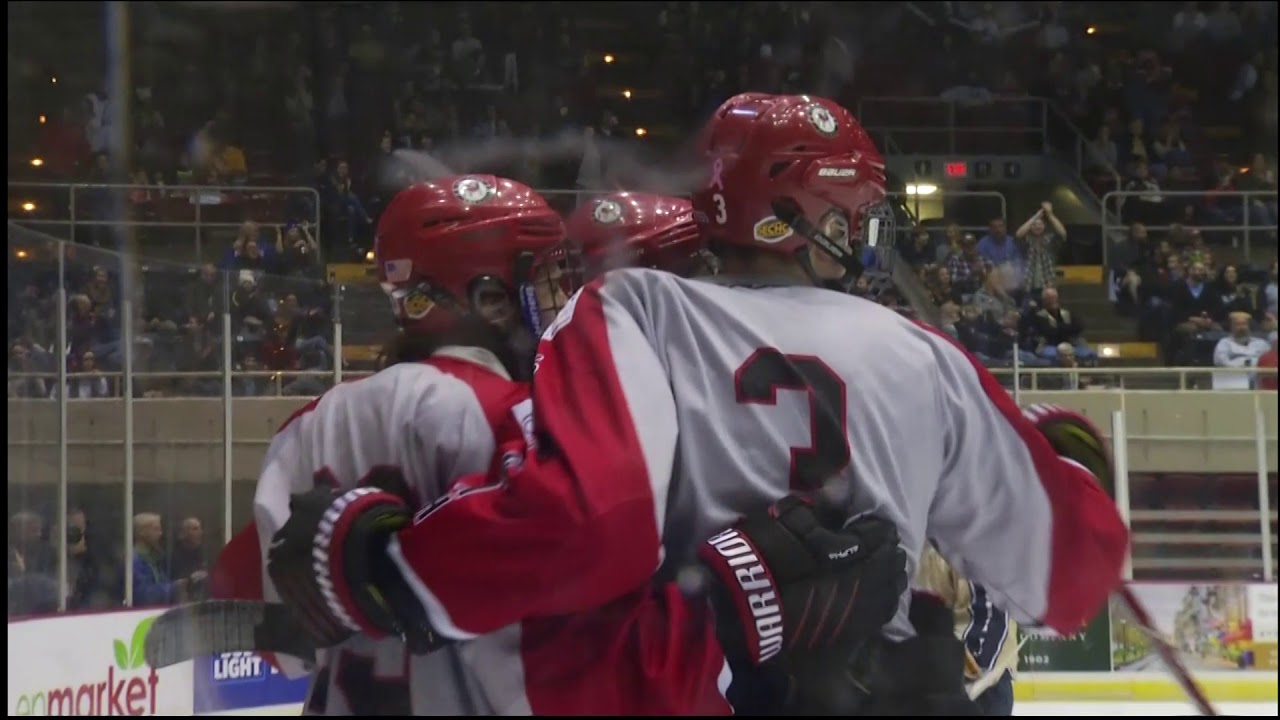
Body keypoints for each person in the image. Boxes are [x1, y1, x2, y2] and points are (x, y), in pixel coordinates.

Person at [266, 94, 1128, 714]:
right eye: (855, 209)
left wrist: (396, 571)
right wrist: (1064, 471)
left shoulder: (636, 308)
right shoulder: (923, 353)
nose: (866, 230)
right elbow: (1068, 577)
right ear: (803, 211)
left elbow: (589, 520)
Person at [216, 178, 907, 715]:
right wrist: (732, 605)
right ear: (487, 298)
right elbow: (575, 665)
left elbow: (262, 624)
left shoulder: (310, 424)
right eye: (541, 282)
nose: (557, 304)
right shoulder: (524, 419)